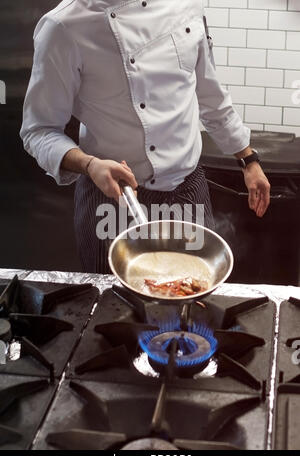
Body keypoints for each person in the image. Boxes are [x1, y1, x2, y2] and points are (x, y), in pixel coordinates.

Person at [20, 0, 270, 274]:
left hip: (186, 191)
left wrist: (249, 160)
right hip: (113, 200)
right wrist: (89, 164)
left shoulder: (185, 5)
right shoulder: (63, 26)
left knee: (190, 297)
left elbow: (210, 95)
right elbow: (39, 130)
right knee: (110, 304)